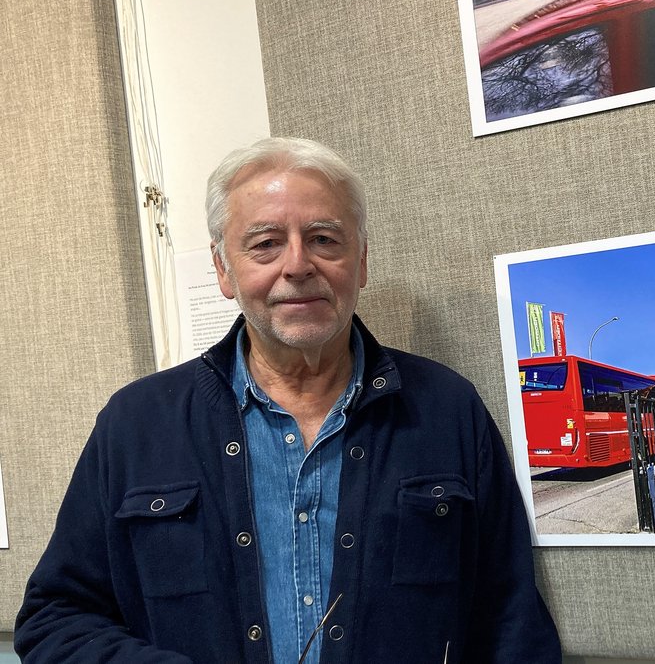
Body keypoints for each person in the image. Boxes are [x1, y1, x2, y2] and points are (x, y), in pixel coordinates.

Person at [15, 137, 562, 663]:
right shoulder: (136, 425)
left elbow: (511, 624)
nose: (298, 265)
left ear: (361, 262)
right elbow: (57, 619)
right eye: (265, 244)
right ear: (224, 269)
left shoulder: (447, 409)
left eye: (325, 239)